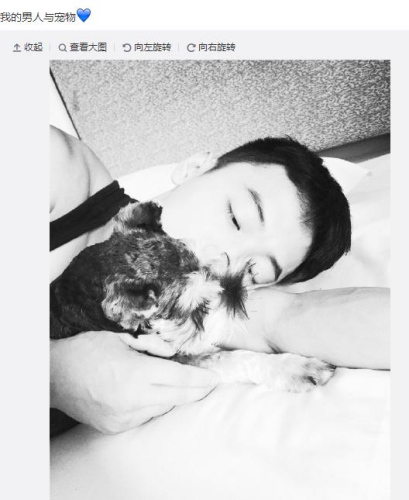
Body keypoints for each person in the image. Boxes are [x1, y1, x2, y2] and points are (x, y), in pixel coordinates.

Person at [50, 126, 389, 435]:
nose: (224, 260)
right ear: (196, 168)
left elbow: (293, 315)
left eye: (254, 271)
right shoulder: (60, 169)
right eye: (236, 218)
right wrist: (54, 376)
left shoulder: (206, 300)